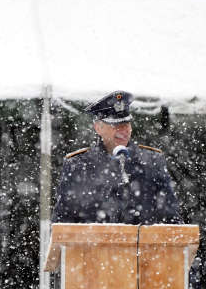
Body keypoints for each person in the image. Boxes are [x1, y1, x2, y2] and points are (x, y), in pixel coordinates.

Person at [52, 91, 182, 225]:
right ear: (98, 128)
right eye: (116, 125)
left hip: (144, 245)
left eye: (126, 124)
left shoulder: (152, 161)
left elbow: (171, 217)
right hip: (92, 245)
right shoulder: (78, 164)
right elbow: (63, 220)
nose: (124, 130)